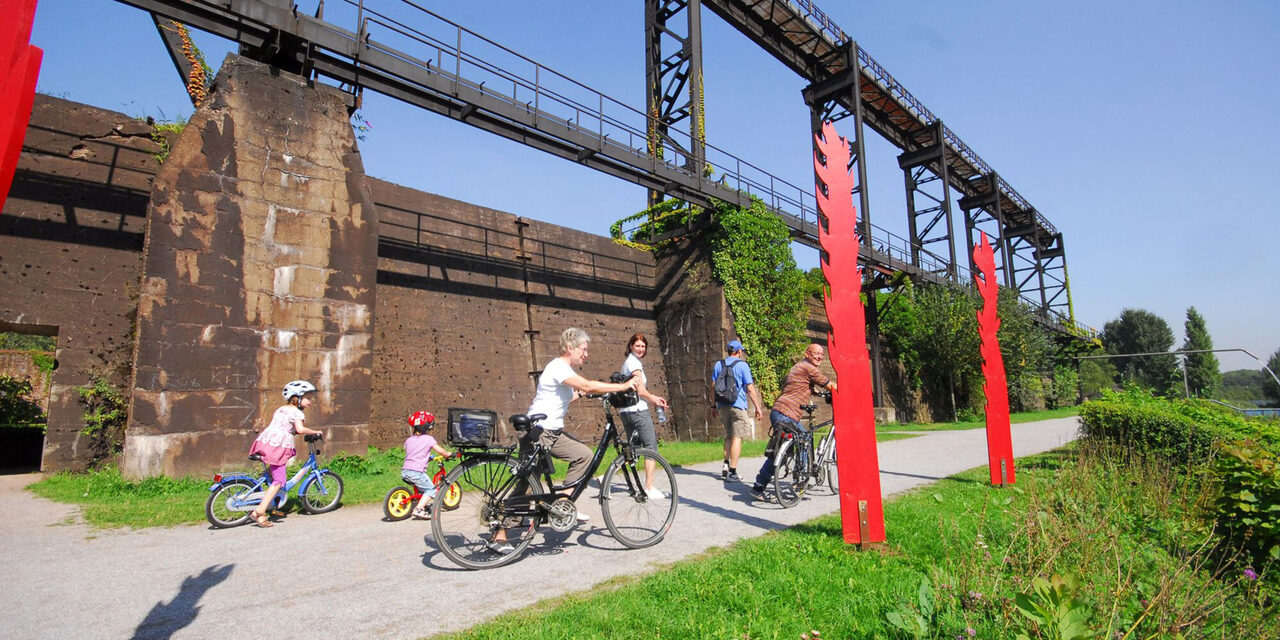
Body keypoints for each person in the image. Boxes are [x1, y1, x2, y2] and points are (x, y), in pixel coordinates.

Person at [490, 327, 640, 554]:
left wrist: (596, 392)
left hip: (548, 431)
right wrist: (622, 385)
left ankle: (560, 504)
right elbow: (586, 384)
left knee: (574, 459)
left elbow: (576, 393)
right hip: (542, 432)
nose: (586, 354)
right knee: (531, 483)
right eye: (584, 349)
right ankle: (501, 534)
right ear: (570, 347)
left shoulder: (561, 372)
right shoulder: (558, 366)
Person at [751, 344, 837, 500]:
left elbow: (804, 387)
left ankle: (759, 486)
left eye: (821, 354)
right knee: (804, 438)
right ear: (807, 354)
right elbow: (830, 385)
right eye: (815, 353)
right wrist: (848, 390)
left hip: (779, 412)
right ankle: (800, 479)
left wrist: (816, 392)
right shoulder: (808, 368)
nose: (819, 356)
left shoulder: (798, 368)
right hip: (787, 414)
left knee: (779, 451)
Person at [247, 380, 325, 527]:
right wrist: (316, 432)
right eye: (308, 398)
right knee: (279, 481)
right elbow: (300, 430)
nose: (310, 402)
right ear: (297, 398)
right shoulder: (297, 412)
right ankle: (260, 512)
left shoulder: (281, 409)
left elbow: (287, 427)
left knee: (273, 476)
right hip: (278, 447)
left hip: (265, 442)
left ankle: (271, 502)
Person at [617, 332, 670, 499]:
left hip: (626, 412)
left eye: (643, 346)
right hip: (638, 410)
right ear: (631, 346)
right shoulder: (634, 365)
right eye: (638, 345)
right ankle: (649, 487)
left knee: (633, 448)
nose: (641, 349)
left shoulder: (628, 363)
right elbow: (640, 390)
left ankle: (610, 475)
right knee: (650, 448)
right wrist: (654, 399)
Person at [710, 339, 763, 483]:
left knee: (728, 436)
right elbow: (750, 388)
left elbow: (713, 386)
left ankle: (725, 466)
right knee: (737, 437)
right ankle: (733, 472)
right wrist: (758, 407)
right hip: (738, 405)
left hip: (722, 406)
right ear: (739, 351)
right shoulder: (742, 365)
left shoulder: (718, 365)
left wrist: (713, 406)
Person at [402, 410, 455, 519]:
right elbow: (440, 451)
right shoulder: (429, 439)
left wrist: (429, 457)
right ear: (427, 427)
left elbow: (414, 454)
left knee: (423, 489)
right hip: (417, 473)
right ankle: (418, 509)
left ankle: (421, 503)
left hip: (405, 471)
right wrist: (448, 454)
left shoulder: (409, 440)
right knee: (431, 490)